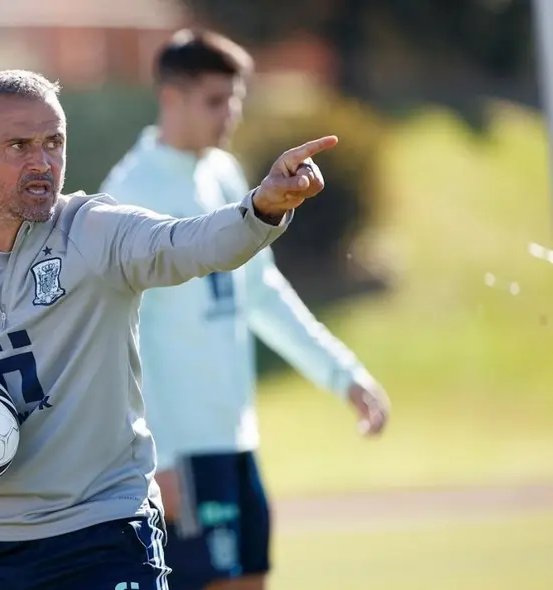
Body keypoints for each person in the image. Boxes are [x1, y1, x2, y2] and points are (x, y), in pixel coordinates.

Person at [0, 68, 337, 590]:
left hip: (103, 533)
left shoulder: (95, 229)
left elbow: (192, 243)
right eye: (18, 145)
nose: (42, 162)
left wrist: (261, 207)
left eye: (53, 143)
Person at [99, 30, 391, 590]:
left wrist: (342, 373)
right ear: (170, 97)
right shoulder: (129, 192)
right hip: (178, 450)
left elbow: (262, 295)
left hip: (236, 439)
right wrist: (156, 453)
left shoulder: (225, 175)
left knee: (252, 579)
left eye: (235, 98)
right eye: (214, 100)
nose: (230, 113)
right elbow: (119, 338)